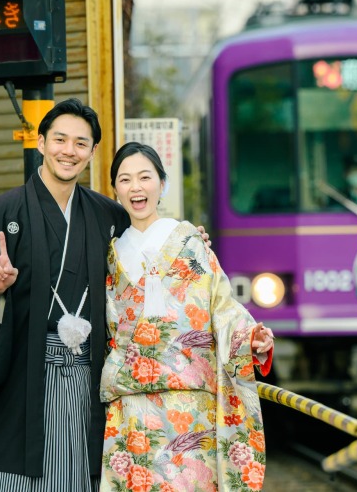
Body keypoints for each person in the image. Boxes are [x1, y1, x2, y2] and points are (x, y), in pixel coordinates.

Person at [0, 99, 210, 490]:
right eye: (59, 139)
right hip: (27, 375)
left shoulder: (107, 214)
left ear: (92, 152)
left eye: (80, 143)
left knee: (82, 473)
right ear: (40, 143)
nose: (68, 151)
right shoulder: (1, 213)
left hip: (87, 376)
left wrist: (190, 245)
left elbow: (150, 256)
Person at [99, 142, 275, 491]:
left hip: (189, 404)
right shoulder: (109, 254)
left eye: (145, 177)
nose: (136, 187)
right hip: (131, 404)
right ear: (115, 190)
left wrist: (249, 336)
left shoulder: (190, 243)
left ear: (162, 184)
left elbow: (221, 306)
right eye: (125, 179)